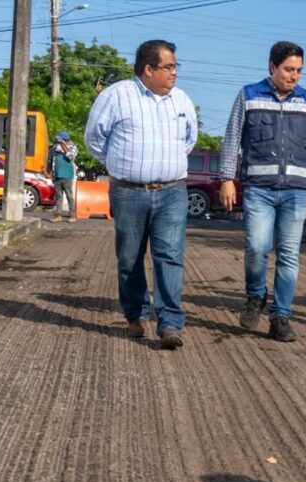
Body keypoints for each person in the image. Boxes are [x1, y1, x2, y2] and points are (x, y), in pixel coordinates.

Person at [85, 39, 198, 349]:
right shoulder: (116, 96)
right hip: (128, 192)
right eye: (169, 66)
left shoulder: (182, 100)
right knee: (129, 257)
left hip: (172, 191)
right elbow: (94, 139)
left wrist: (163, 164)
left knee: (170, 256)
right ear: (148, 69)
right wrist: (121, 164)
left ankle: (170, 324)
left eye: (175, 66)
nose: (174, 72)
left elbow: (190, 140)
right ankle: (135, 314)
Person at [218, 41, 306, 343]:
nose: (295, 76)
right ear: (272, 67)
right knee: (257, 247)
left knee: (289, 255)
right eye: (289, 69)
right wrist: (227, 177)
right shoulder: (249, 95)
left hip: (296, 190)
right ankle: (255, 296)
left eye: (299, 71)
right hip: (259, 190)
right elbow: (231, 139)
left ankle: (281, 316)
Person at [49, 131, 78, 223]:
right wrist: (48, 171)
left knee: (69, 195)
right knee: (58, 196)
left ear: (65, 139)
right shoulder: (54, 147)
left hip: (67, 175)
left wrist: (63, 146)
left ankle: (72, 215)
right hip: (56, 174)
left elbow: (70, 157)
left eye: (59, 140)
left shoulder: (72, 147)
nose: (57, 141)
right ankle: (58, 215)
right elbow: (50, 160)